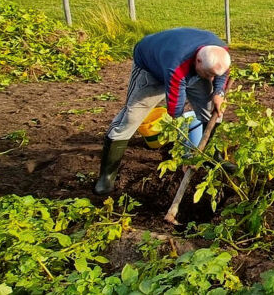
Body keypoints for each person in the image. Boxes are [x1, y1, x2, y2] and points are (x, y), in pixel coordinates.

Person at [94, 27, 231, 196]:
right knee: (130, 118)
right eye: (209, 74)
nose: (211, 77)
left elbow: (222, 73)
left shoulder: (219, 50)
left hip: (187, 67)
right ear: (198, 61)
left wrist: (219, 92)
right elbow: (176, 112)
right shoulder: (177, 65)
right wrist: (184, 156)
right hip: (151, 69)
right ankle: (107, 176)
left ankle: (212, 157)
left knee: (213, 110)